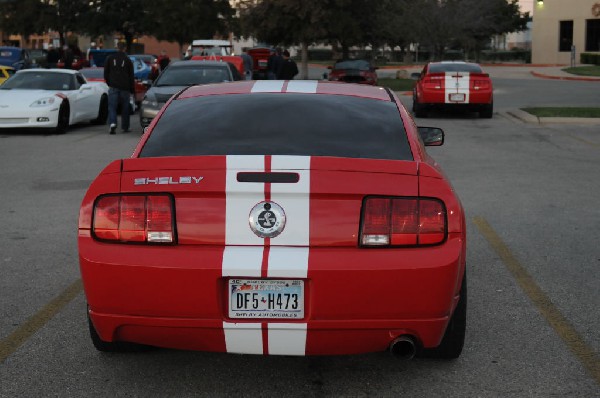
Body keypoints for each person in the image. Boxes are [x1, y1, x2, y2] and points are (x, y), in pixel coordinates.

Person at [104, 42, 135, 134]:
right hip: (125, 87)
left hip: (113, 86)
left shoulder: (110, 58)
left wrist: (110, 83)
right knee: (125, 108)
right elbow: (131, 76)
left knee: (112, 107)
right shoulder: (128, 60)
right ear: (125, 48)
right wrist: (132, 89)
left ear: (117, 47)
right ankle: (125, 127)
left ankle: (113, 123)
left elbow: (106, 73)